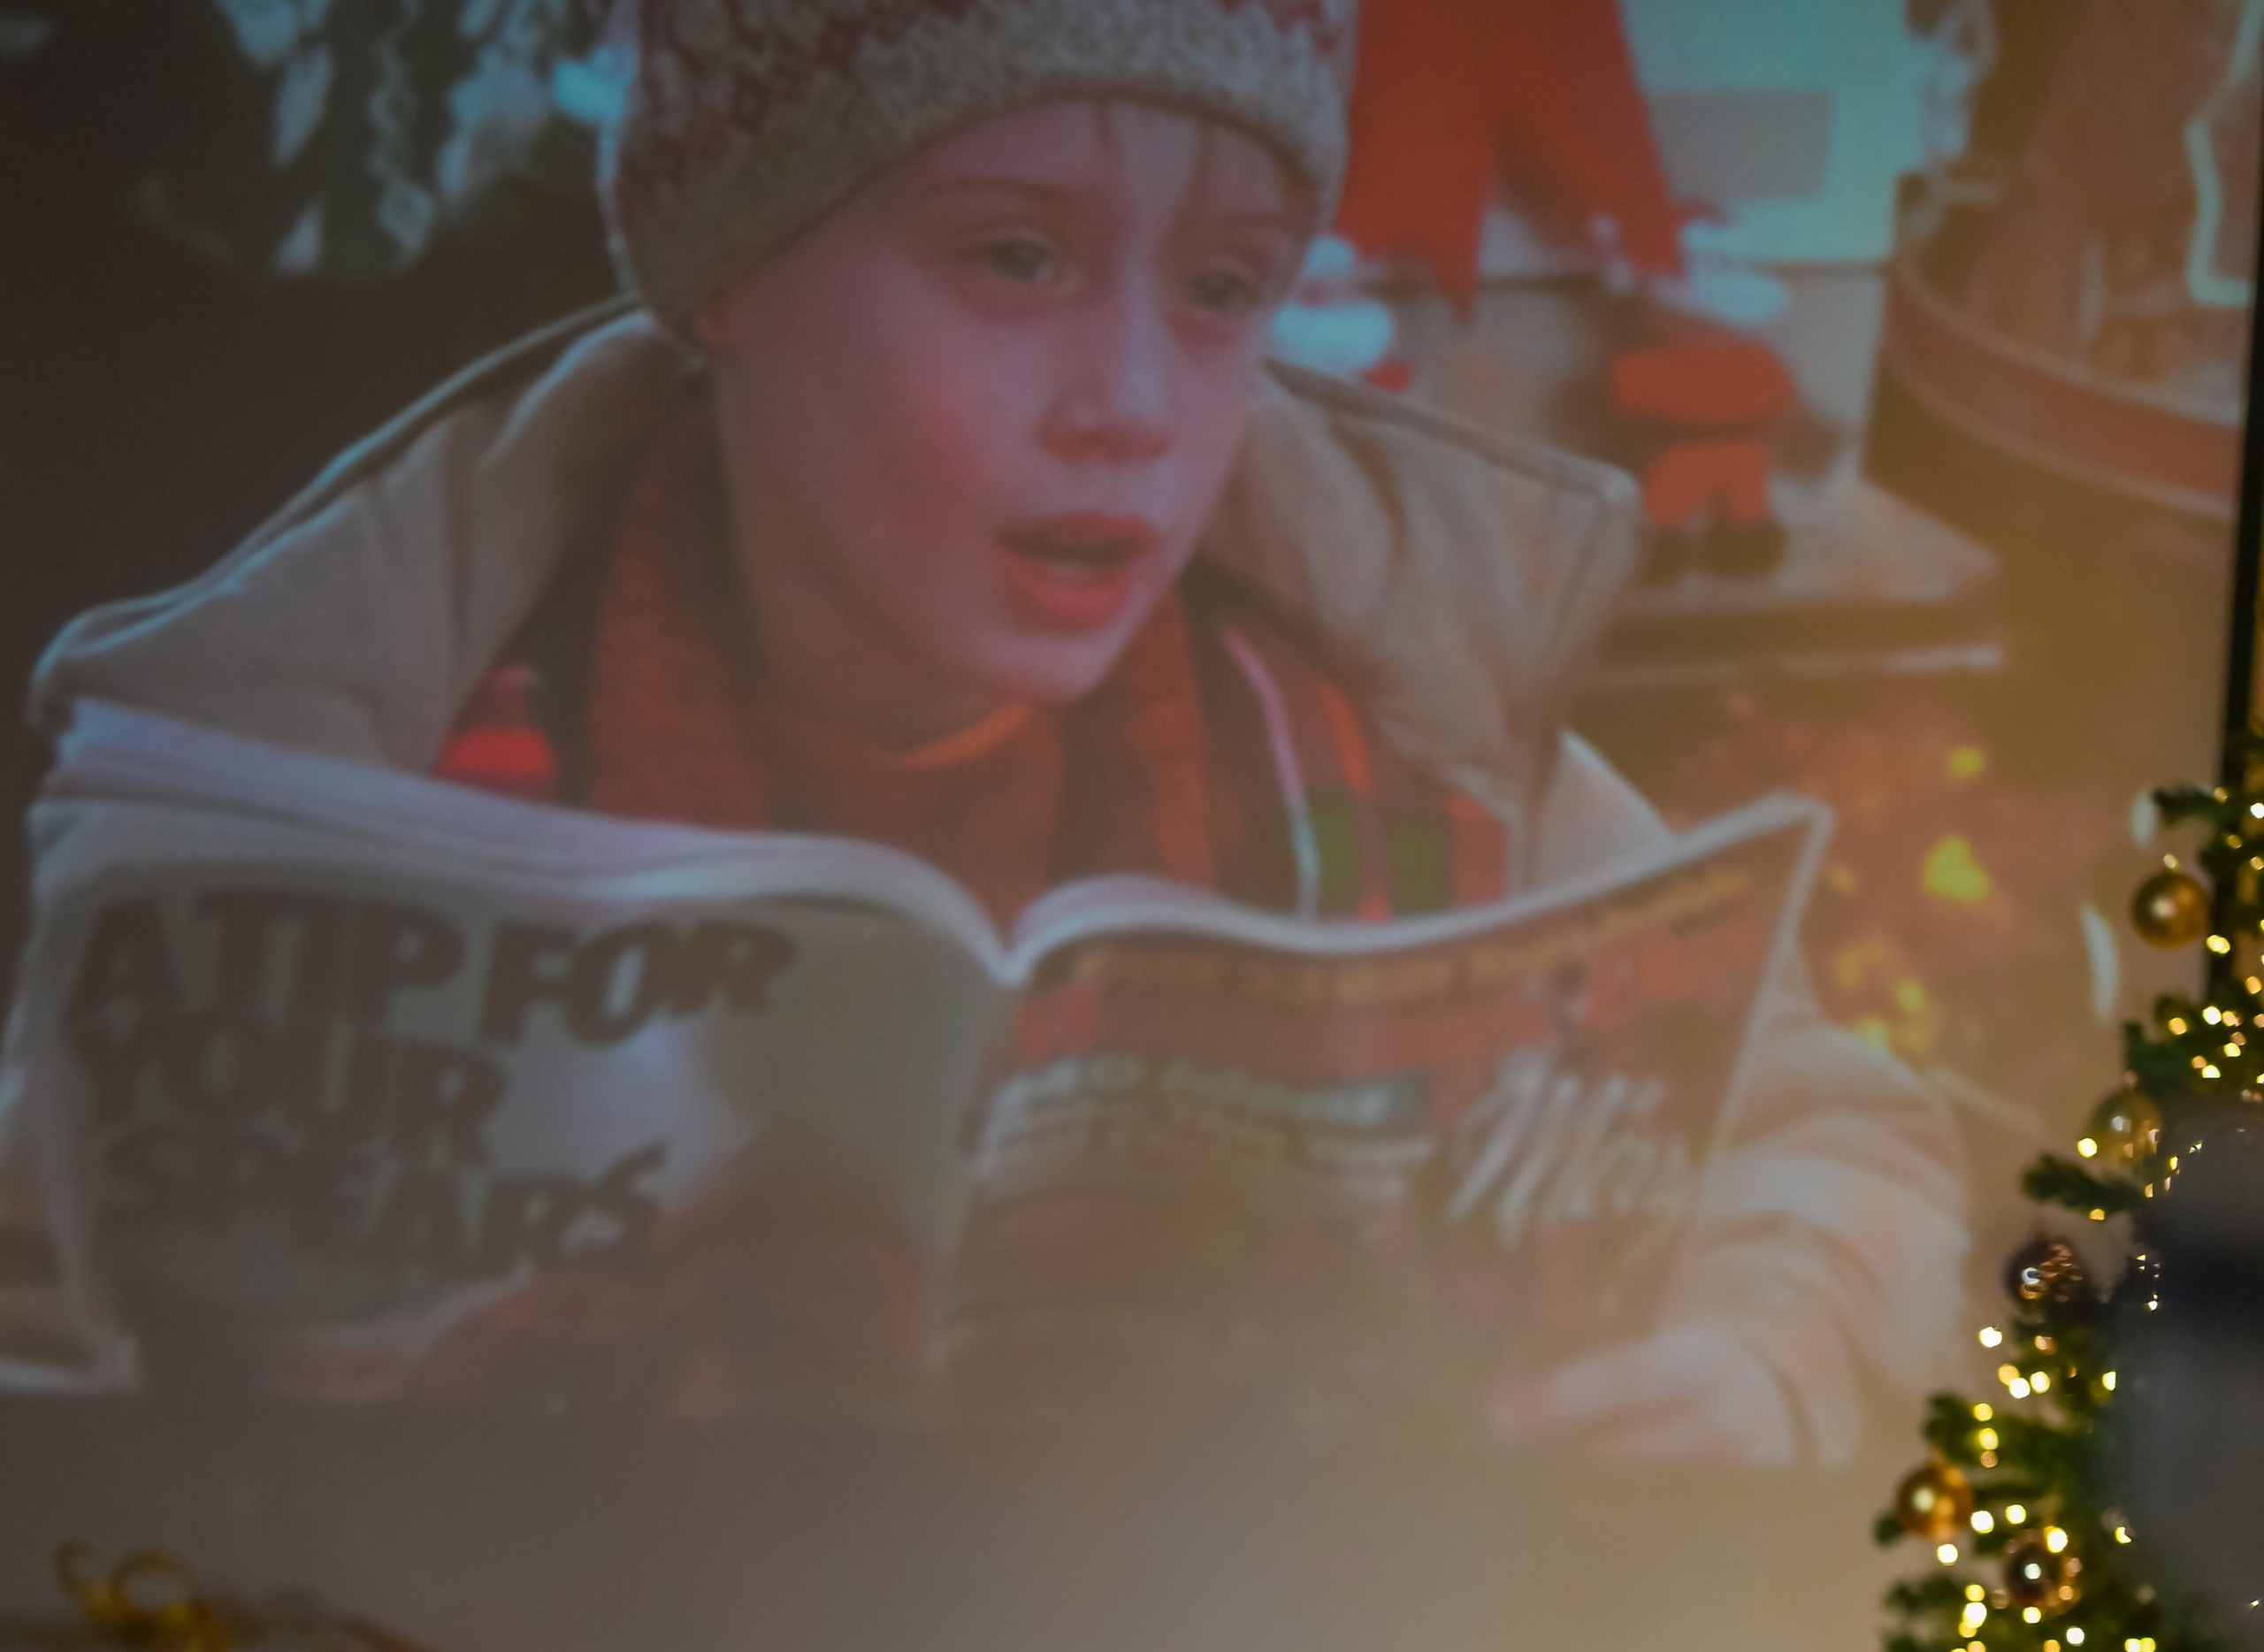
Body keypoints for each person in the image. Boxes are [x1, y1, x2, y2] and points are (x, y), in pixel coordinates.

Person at [35, 0, 1962, 1458]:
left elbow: (1845, 1134)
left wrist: (1759, 1364)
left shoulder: (1407, 723)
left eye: (1221, 289)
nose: (1130, 399)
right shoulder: (337, 736)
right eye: (1012, 258)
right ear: (728, 267)